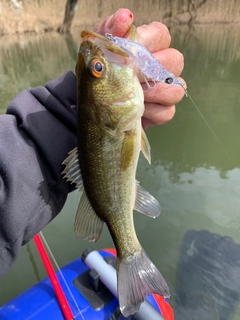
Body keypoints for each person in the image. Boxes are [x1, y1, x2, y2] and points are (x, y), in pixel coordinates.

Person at [0, 8, 185, 278]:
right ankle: (131, 255)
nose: (97, 64)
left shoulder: (110, 113)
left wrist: (59, 115)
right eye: (98, 69)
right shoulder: (111, 115)